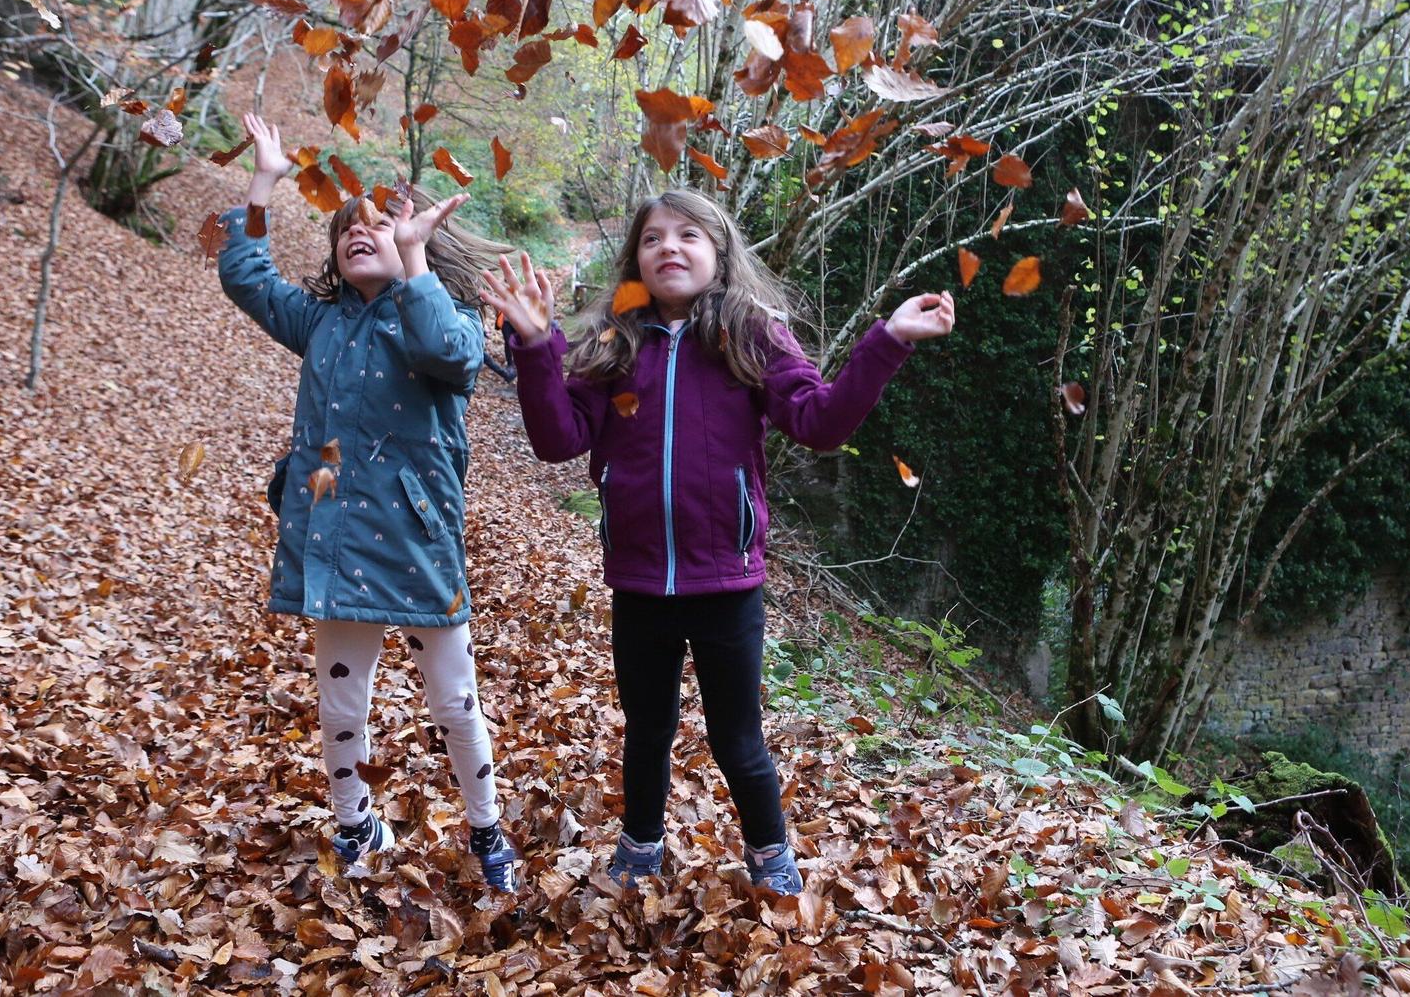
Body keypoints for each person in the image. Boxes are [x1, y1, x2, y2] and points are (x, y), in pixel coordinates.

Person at [479, 188, 955, 894]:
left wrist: (888, 340)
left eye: (688, 234)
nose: (669, 246)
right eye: (653, 238)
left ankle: (770, 854)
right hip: (639, 584)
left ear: (720, 252)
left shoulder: (751, 334)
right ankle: (640, 844)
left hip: (726, 584)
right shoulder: (614, 341)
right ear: (634, 260)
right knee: (647, 730)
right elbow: (556, 440)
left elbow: (820, 423)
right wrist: (536, 342)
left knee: (740, 739)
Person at [217, 112, 520, 890]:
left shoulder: (439, 316)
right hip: (333, 530)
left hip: (415, 538)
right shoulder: (320, 322)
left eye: (382, 225)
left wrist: (415, 259)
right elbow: (245, 273)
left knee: (453, 700)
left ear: (414, 239)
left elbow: (452, 356)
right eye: (348, 226)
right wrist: (263, 182)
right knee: (341, 700)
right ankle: (356, 822)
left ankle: (487, 829)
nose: (361, 232)